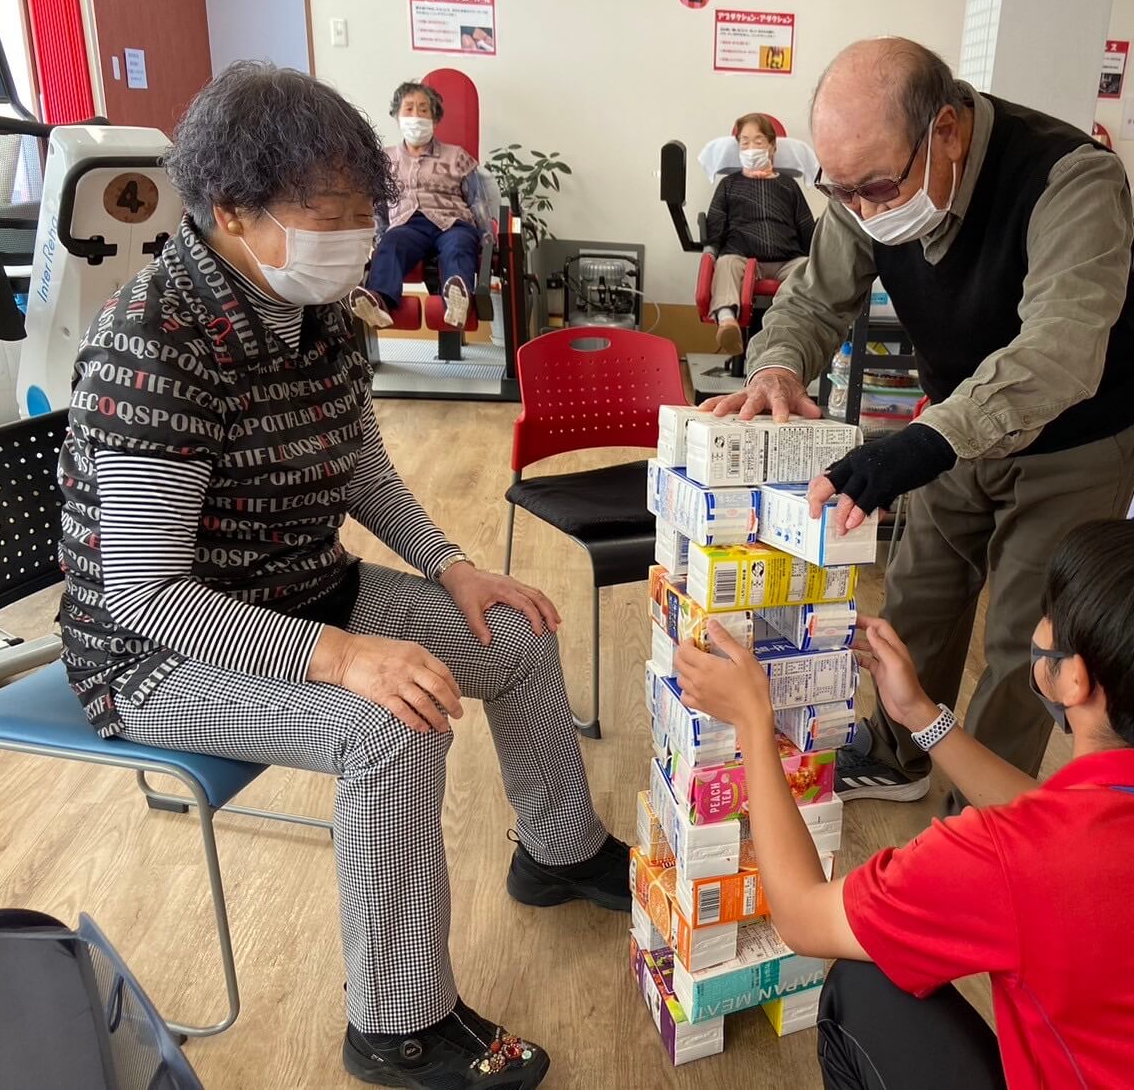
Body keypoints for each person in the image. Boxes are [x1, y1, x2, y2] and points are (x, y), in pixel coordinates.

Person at [57, 62, 625, 1090]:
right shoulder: (157, 342)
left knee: (520, 629)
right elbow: (145, 594)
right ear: (230, 210)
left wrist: (452, 569)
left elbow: (360, 464)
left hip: (305, 590)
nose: (358, 233)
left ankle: (562, 848)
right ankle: (398, 1024)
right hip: (157, 655)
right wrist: (342, 654)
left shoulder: (315, 302)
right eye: (330, 213)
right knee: (389, 721)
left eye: (366, 210)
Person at [674, 517, 1134, 1090]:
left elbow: (800, 916)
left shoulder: (1002, 859)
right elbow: (1072, 825)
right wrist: (920, 715)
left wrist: (753, 725)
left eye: (1047, 615)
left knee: (864, 984)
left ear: (1072, 677)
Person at [705, 39, 1134, 802]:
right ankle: (896, 753)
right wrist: (777, 364)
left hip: (1080, 428)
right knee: (918, 595)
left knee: (1029, 639)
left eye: (877, 187)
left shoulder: (1070, 177)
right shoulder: (866, 184)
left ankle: (981, 817)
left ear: (945, 132)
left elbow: (1059, 350)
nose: (861, 209)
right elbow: (815, 298)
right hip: (957, 415)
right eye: (839, 190)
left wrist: (924, 441)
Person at [350, 80, 497, 332]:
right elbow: (377, 204)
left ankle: (458, 299)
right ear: (397, 115)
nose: (416, 115)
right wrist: (378, 236)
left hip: (452, 222)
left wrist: (487, 238)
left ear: (435, 119)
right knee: (391, 245)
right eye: (409, 109)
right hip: (407, 224)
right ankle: (379, 302)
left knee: (459, 245)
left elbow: (477, 200)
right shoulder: (384, 160)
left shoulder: (457, 156)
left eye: (423, 110)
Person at [705, 112, 815, 358]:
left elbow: (805, 225)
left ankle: (791, 333)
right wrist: (710, 252)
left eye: (758, 141)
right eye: (744, 142)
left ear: (772, 147)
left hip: (786, 259)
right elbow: (716, 224)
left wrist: (816, 259)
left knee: (806, 269)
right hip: (743, 257)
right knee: (725, 263)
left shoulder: (788, 185)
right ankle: (727, 324)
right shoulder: (729, 185)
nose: (750, 147)